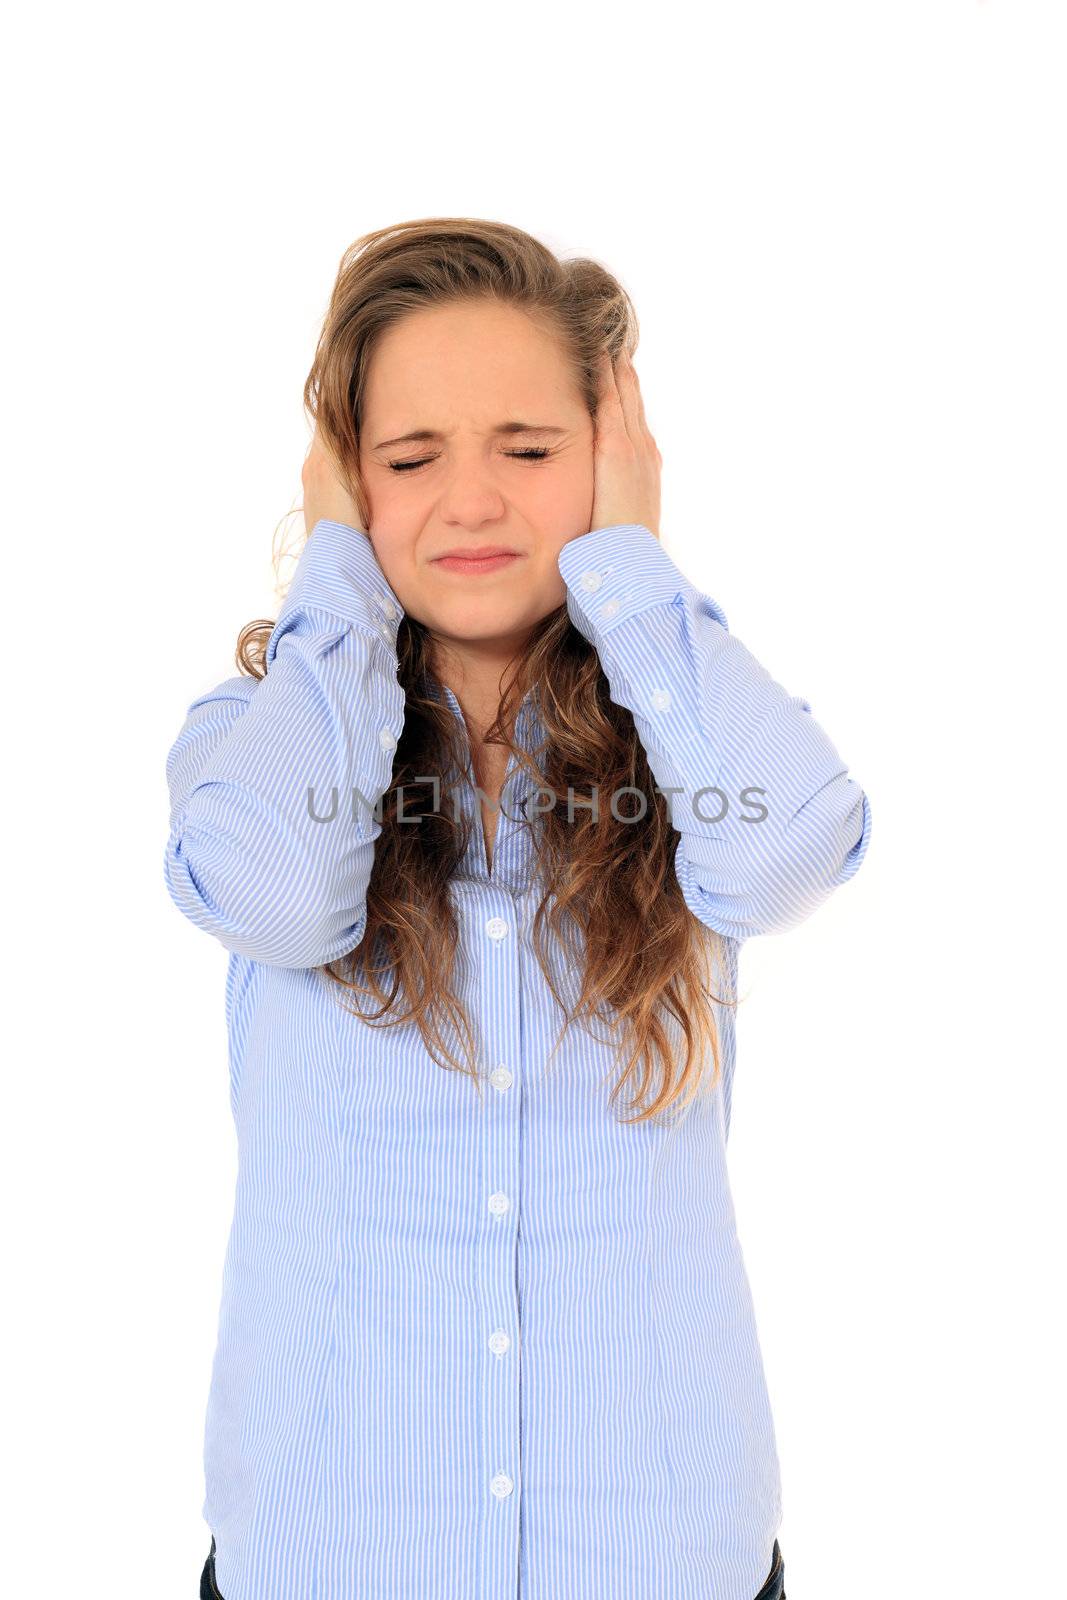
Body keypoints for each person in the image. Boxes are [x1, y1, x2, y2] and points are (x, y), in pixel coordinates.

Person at [167, 217, 871, 1600]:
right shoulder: (256, 737)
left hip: (661, 1564)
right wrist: (341, 597)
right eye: (409, 459)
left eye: (531, 451)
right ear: (342, 487)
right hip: (331, 1564)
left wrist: (633, 569)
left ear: (612, 463)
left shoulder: (688, 737)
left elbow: (795, 849)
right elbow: (281, 893)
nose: (473, 502)